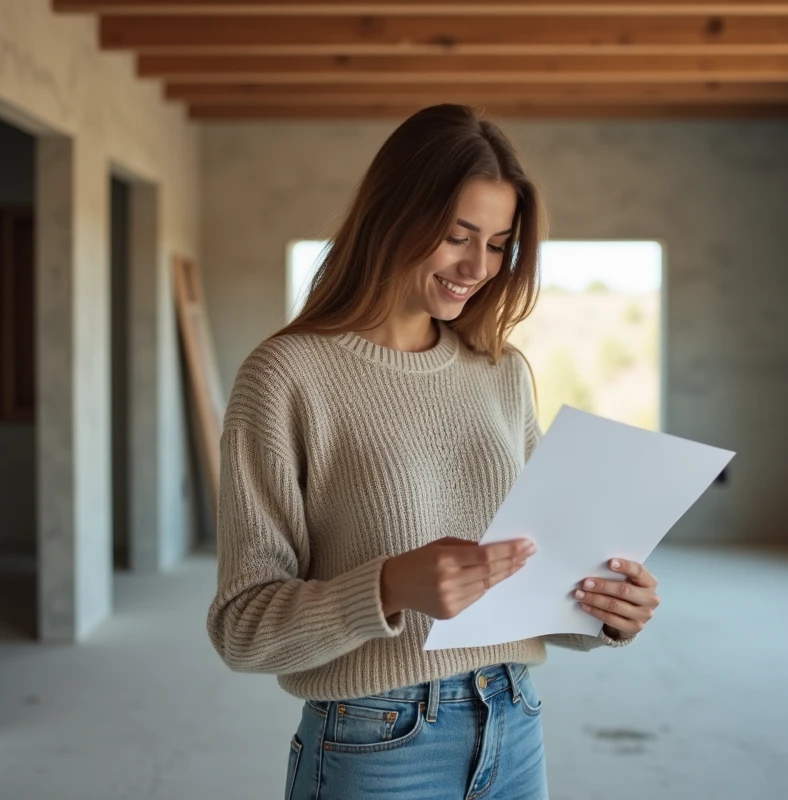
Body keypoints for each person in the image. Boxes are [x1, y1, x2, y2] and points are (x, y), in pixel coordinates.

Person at [206, 103, 661, 799]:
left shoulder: (500, 372)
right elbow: (243, 629)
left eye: (499, 243)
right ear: (393, 215)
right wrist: (388, 588)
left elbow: (532, 574)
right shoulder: (286, 376)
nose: (477, 266)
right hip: (377, 741)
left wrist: (603, 611)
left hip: (514, 717)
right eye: (457, 235)